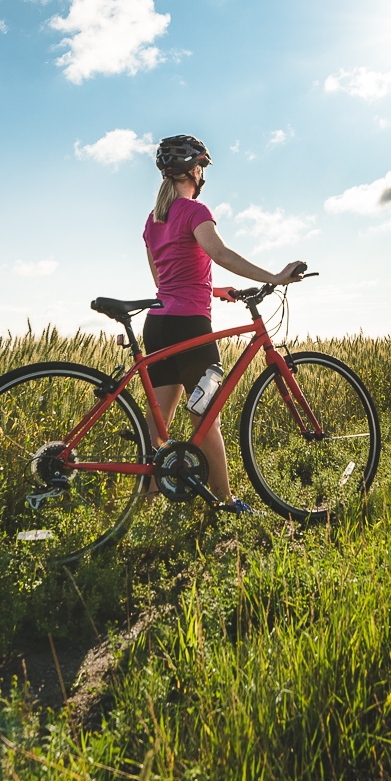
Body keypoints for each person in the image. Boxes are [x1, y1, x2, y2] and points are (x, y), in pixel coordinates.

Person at [143, 134, 304, 513]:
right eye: (201, 167)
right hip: (190, 327)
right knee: (206, 415)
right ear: (194, 171)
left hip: (159, 324)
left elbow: (164, 281)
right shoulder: (195, 212)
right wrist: (275, 276)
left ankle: (149, 500)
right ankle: (226, 501)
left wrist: (215, 290)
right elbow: (219, 252)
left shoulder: (153, 221)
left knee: (159, 422)